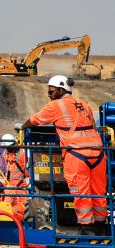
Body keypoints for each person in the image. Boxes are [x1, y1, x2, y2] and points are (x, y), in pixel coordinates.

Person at [25, 75, 108, 227]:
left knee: (81, 194)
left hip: (77, 155)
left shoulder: (55, 105)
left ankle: (87, 228)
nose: (49, 95)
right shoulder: (84, 104)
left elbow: (35, 120)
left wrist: (22, 128)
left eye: (51, 92)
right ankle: (101, 227)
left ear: (61, 90)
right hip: (99, 154)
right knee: (98, 193)